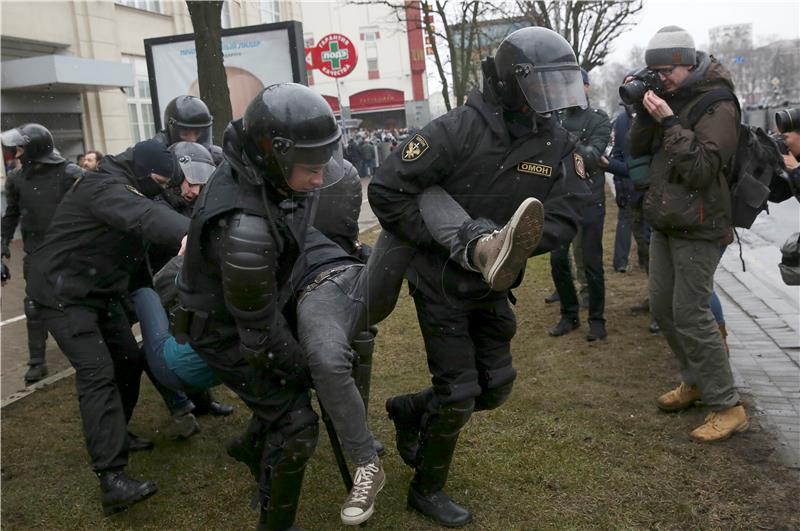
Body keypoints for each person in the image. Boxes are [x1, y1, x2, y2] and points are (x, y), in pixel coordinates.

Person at [369, 27, 590, 526]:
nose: (552, 103)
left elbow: (570, 210)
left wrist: (516, 244)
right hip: (440, 282)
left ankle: (407, 410)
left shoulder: (558, 142)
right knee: (459, 392)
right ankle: (426, 489)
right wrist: (448, 242)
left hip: (494, 285)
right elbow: (387, 190)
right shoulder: (455, 130)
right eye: (543, 88)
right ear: (514, 82)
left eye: (561, 89)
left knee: (497, 386)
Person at [176, 83, 346, 531]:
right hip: (222, 329)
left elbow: (299, 237)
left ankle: (252, 446)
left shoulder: (261, 171)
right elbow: (260, 337)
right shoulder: (245, 228)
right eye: (310, 169)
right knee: (295, 423)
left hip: (246, 308)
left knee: (283, 398)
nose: (320, 179)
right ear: (275, 155)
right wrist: (312, 369)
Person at [24, 139, 190, 515]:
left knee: (128, 362)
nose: (162, 190)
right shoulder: (104, 186)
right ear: (143, 171)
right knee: (97, 372)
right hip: (63, 293)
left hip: (99, 291)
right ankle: (111, 478)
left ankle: (118, 432)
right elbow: (143, 215)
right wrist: (188, 232)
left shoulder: (129, 184)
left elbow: (135, 246)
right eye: (160, 182)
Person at [628, 25, 748, 442]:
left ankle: (727, 405)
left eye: (665, 71)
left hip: (701, 224)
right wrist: (644, 113)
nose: (660, 80)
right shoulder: (671, 97)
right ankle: (695, 381)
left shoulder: (719, 103)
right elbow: (637, 147)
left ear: (687, 62)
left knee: (692, 315)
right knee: (663, 310)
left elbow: (700, 168)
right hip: (666, 220)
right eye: (653, 73)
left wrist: (670, 120)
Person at [1, 123, 82, 383]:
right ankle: (37, 361)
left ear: (34, 148)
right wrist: (2, 245)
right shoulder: (16, 179)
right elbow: (11, 214)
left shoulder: (70, 173)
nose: (16, 152)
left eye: (20, 147)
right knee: (34, 307)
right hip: (35, 256)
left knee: (78, 304)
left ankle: (87, 352)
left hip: (70, 254)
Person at [548, 68, 612, 341]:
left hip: (590, 198)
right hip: (561, 199)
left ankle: (596, 319)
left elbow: (591, 157)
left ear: (586, 87)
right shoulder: (555, 118)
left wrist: (566, 141)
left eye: (576, 85)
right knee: (557, 258)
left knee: (591, 263)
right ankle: (569, 313)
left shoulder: (599, 118)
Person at [153, 95, 223, 164]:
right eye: (185, 134)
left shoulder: (217, 157)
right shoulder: (156, 154)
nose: (193, 139)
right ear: (171, 130)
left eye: (197, 133)